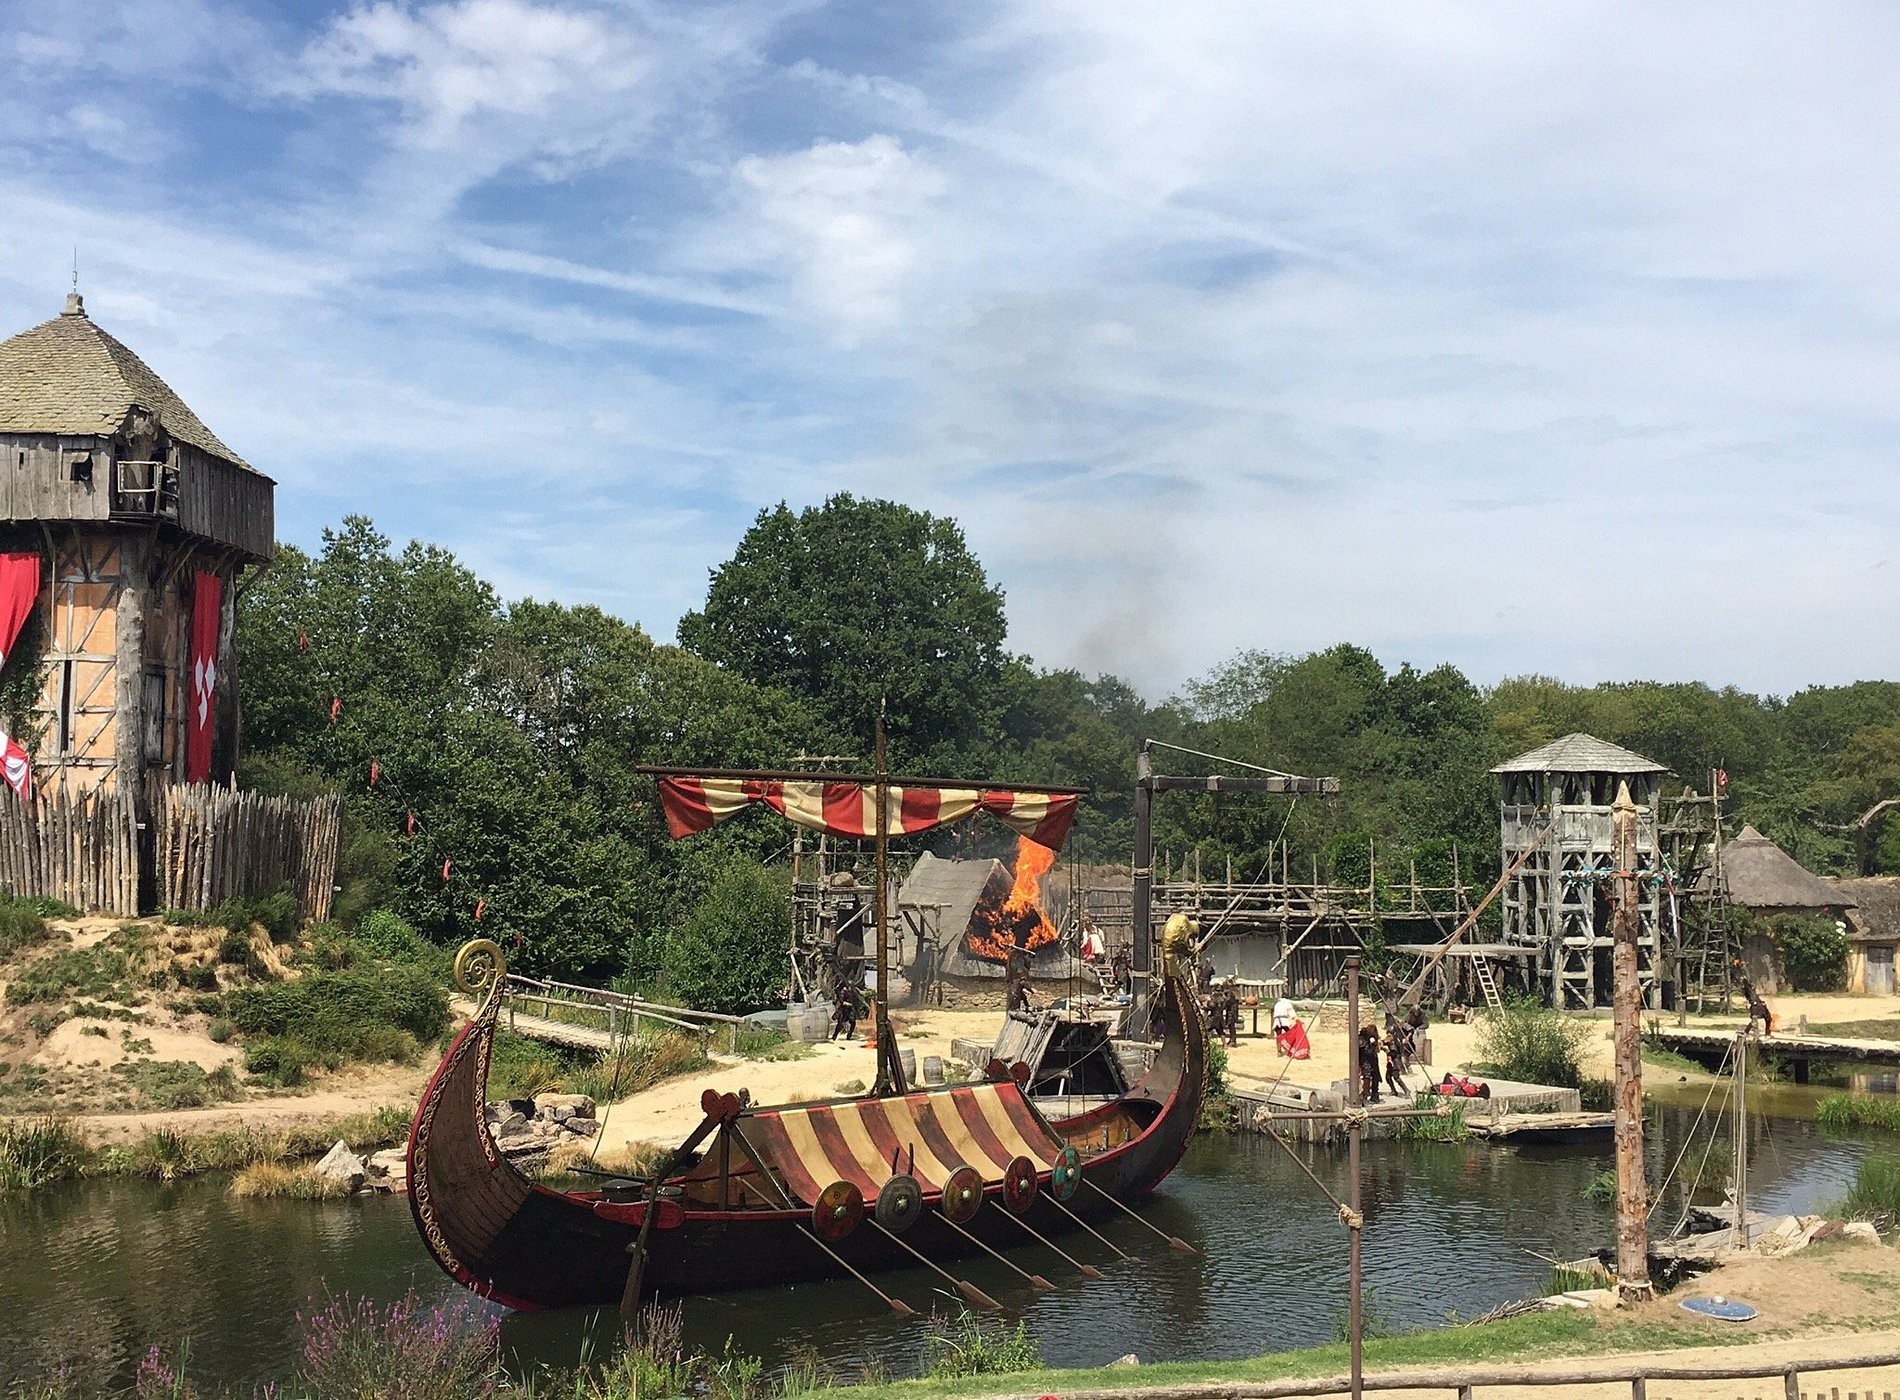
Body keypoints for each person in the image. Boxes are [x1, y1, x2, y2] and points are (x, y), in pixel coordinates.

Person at [1357, 1023, 1383, 1104]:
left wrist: (1374, 1045)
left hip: (1373, 1060)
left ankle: (1375, 1095)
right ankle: (1364, 1095)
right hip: (1365, 1061)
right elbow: (1365, 1052)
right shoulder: (1362, 1039)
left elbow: (1375, 1051)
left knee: (1376, 1077)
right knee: (1367, 1077)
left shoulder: (1372, 1040)